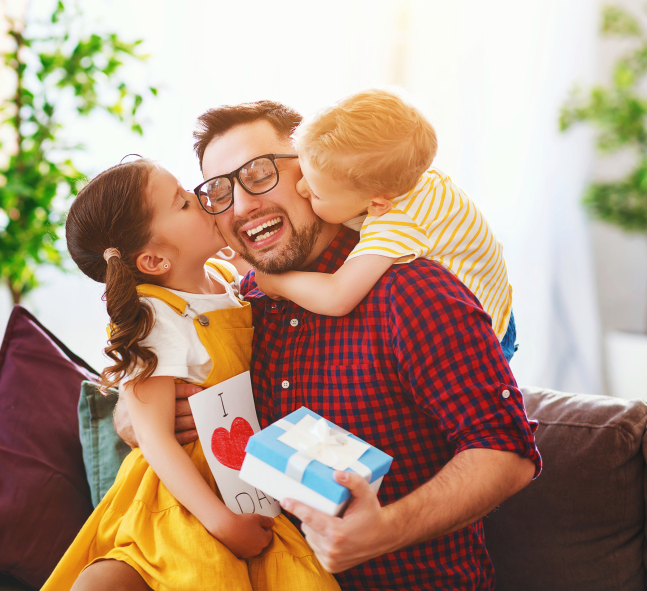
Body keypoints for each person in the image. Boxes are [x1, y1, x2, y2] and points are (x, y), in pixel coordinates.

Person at [117, 100, 541, 590]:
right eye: (217, 191)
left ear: (310, 170)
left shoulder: (412, 291)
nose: (241, 206)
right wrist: (134, 415)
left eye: (258, 173)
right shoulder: (242, 306)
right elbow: (150, 371)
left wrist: (384, 530)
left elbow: (507, 453)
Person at [41, 158, 340, 591]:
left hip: (244, 476)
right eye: (183, 202)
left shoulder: (222, 277)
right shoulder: (155, 315)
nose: (201, 198)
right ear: (155, 259)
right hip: (187, 493)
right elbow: (156, 438)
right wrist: (221, 522)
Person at [244, 89, 517, 360]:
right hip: (497, 294)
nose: (301, 188)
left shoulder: (397, 222)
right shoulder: (403, 174)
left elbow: (337, 296)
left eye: (316, 193)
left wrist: (277, 283)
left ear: (377, 205)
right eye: (304, 174)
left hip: (484, 335)